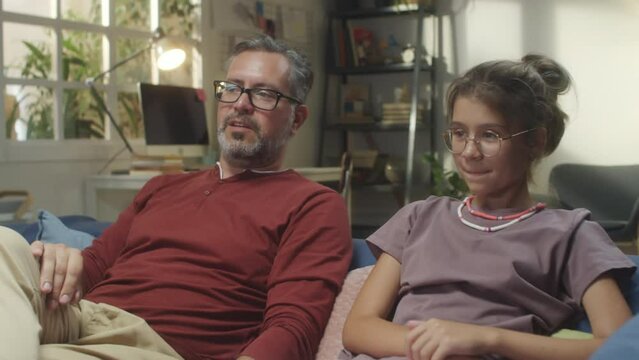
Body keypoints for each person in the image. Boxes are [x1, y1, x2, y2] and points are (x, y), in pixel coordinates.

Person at [0, 36, 352, 360]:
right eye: (232, 88)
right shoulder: (162, 187)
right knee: (4, 242)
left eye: (263, 94)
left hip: (152, 345)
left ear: (296, 120)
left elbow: (294, 325)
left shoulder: (313, 204)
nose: (240, 104)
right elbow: (92, 267)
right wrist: (59, 260)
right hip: (79, 317)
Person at [340, 54, 636, 360]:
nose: (469, 152)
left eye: (490, 135)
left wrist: (487, 339)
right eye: (458, 133)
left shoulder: (571, 234)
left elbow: (620, 346)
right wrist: (436, 342)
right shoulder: (418, 218)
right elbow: (359, 328)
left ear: (534, 141)